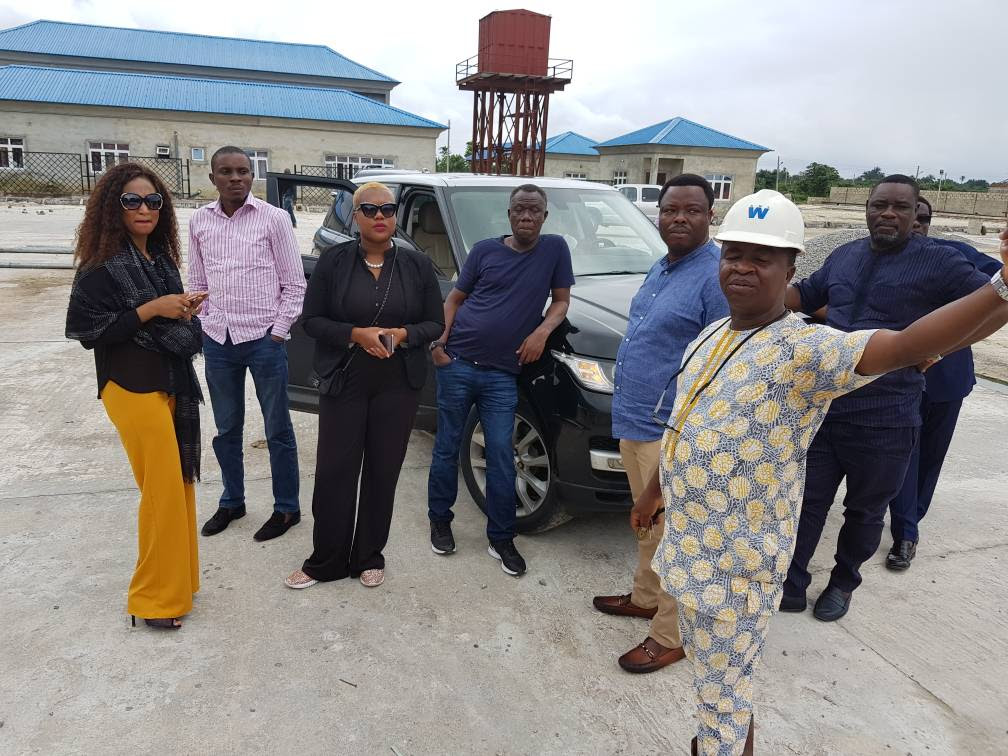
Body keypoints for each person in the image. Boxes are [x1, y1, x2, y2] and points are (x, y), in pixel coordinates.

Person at [633, 188, 1008, 755]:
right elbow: (683, 424)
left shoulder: (807, 350)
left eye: (762, 259)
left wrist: (1002, 287)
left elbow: (905, 345)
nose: (742, 268)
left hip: (737, 568)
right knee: (721, 683)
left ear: (791, 270)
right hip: (687, 550)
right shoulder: (712, 335)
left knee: (722, 699)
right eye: (734, 254)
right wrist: (653, 492)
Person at [779, 175, 994, 621]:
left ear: (916, 214)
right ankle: (793, 582)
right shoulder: (845, 255)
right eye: (879, 205)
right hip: (827, 407)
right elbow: (803, 296)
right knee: (807, 501)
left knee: (865, 510)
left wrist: (942, 348)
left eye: (900, 207)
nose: (888, 214)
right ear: (867, 209)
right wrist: (754, 273)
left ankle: (843, 583)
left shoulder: (940, 261)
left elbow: (990, 304)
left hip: (888, 415)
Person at [592, 174, 729, 674]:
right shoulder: (664, 265)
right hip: (636, 417)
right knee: (645, 521)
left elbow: (719, 363)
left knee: (675, 534)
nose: (679, 218)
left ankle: (670, 635)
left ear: (710, 215)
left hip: (671, 429)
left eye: (691, 210)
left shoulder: (715, 277)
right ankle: (646, 596)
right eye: (670, 210)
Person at [65, 162, 204, 630]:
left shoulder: (160, 261)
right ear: (113, 207)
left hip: (170, 381)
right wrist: (152, 309)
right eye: (132, 201)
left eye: (153, 201)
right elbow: (88, 331)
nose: (144, 209)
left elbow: (169, 321)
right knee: (161, 492)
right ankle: (153, 601)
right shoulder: (100, 268)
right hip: (130, 386)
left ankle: (179, 583)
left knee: (178, 486)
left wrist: (181, 309)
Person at [284, 182, 444, 589]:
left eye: (387, 209)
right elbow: (311, 321)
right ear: (355, 216)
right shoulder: (334, 262)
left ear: (395, 216)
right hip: (346, 379)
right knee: (335, 471)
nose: (379, 216)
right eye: (369, 209)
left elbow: (435, 323)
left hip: (398, 383)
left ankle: (369, 555)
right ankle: (326, 561)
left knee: (382, 471)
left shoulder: (417, 265)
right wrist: (356, 334)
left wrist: (403, 335)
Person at [427, 183, 575, 576]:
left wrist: (541, 332)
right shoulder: (484, 251)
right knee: (447, 447)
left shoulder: (555, 249)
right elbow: (455, 299)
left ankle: (501, 537)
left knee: (501, 454)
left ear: (545, 216)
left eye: (534, 211)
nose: (526, 216)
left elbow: (561, 301)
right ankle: (440, 520)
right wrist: (439, 344)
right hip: (458, 361)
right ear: (509, 215)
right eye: (519, 210)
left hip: (502, 374)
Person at [189, 146, 307, 542]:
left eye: (243, 171)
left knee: (278, 428)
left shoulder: (273, 219)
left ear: (252, 176)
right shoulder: (200, 221)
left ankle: (287, 508)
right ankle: (232, 500)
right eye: (226, 171)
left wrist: (278, 331)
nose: (236, 178)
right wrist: (204, 321)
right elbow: (197, 282)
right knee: (226, 428)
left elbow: (295, 284)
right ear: (213, 178)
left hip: (264, 340)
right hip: (219, 340)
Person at [885, 197, 1003, 569]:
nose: (917, 224)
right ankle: (905, 533)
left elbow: (999, 286)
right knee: (905, 454)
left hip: (948, 379)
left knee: (931, 457)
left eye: (924, 218)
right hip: (900, 378)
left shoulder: (956, 255)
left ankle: (913, 516)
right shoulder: (881, 259)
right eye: (912, 217)